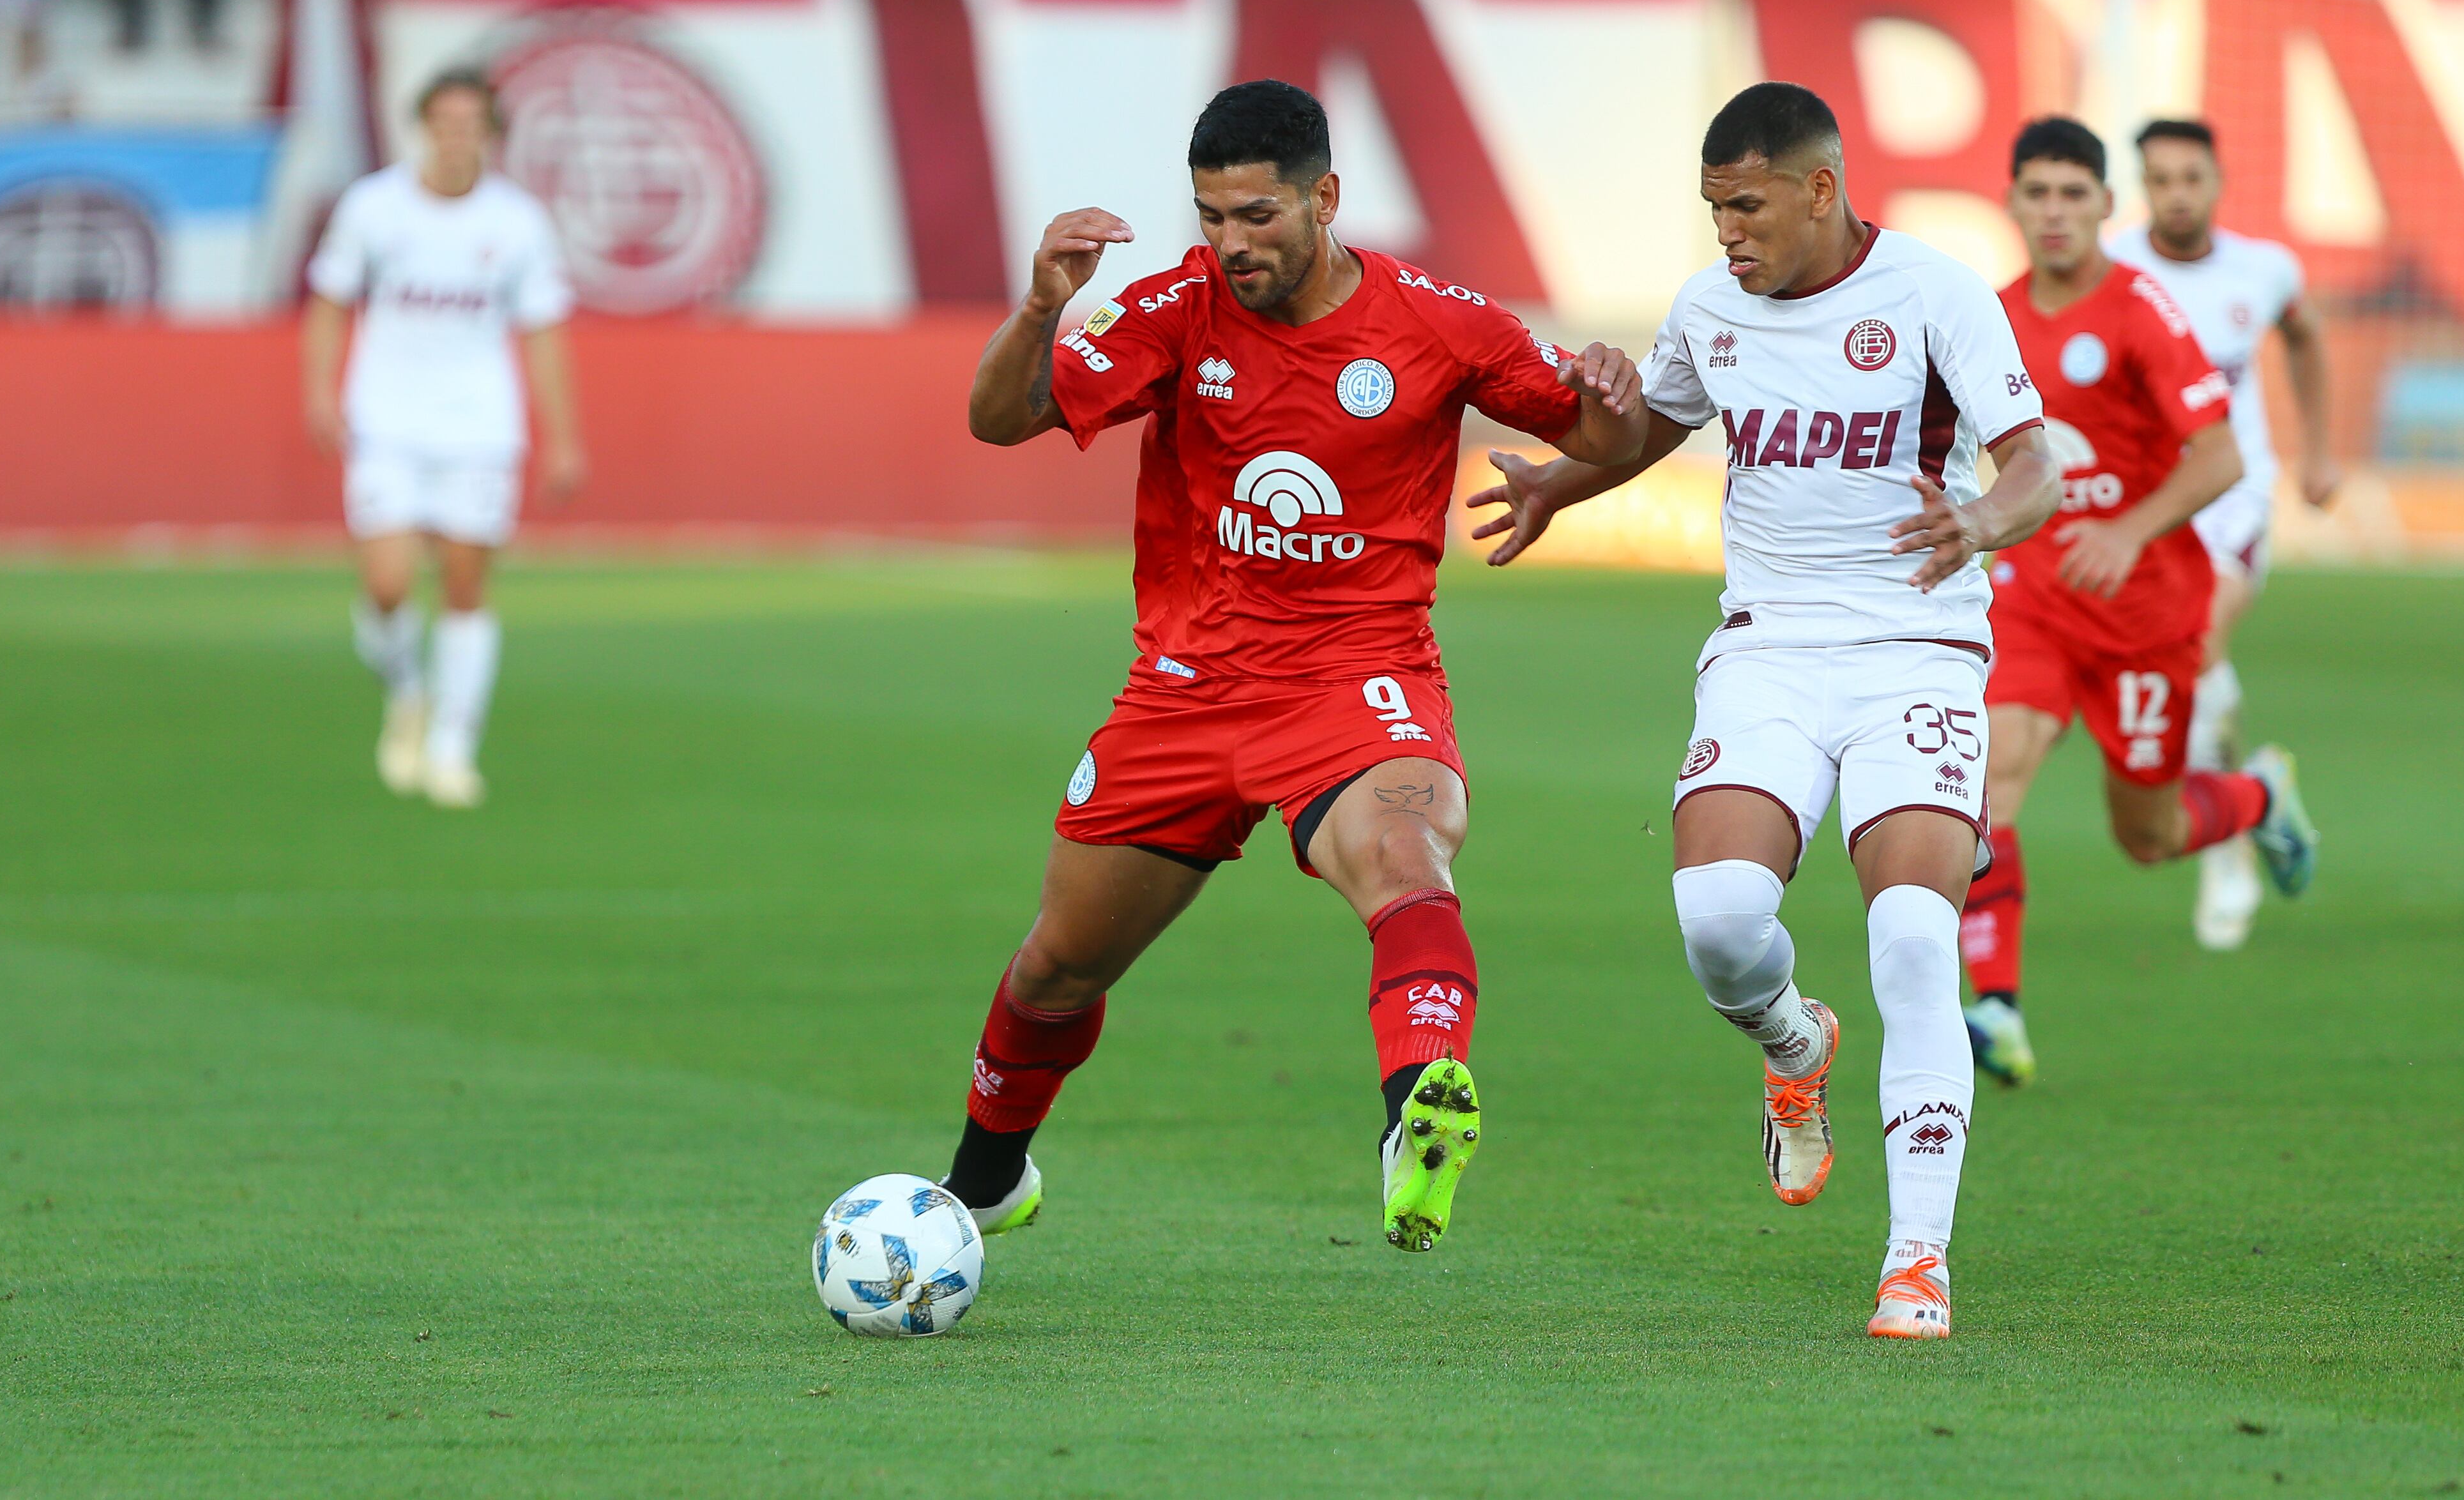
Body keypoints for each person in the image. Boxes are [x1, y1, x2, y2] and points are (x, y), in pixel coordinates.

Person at [940, 79, 1643, 1255]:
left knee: (1403, 855)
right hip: (1187, 686)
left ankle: (1416, 1114)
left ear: (1325, 196)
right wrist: (1037, 309)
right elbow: (999, 419)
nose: (1231, 244)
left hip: (1357, 678)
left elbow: (1597, 435)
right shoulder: (1176, 308)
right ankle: (984, 1180)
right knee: (1060, 962)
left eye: (1257, 215)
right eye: (1212, 216)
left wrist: (1610, 416)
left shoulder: (1442, 320)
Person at [1468, 83, 2060, 1340]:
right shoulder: (1710, 309)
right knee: (1721, 921)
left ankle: (1916, 1259)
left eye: (1744, 207)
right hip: (1769, 653)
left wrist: (1980, 522)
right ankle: (1795, 1048)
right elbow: (1656, 427)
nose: (1726, 234)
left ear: (1819, 190)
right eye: (1712, 211)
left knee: (1911, 938)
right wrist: (1560, 489)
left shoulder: (1934, 293)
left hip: (1920, 650)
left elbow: (2036, 465)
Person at [1956, 117, 2320, 1087]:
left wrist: (2129, 530)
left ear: (2106, 208)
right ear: (2013, 203)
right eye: (2038, 193)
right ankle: (1995, 1004)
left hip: (2147, 609)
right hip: (2033, 595)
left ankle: (2259, 797)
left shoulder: (2141, 310)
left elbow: (2223, 455)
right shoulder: (1986, 316)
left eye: (2076, 194)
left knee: (2147, 837)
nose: (2056, 212)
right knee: (1989, 780)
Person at [301, 68, 586, 808]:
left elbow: (544, 331)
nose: (458, 138)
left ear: (492, 136)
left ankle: (453, 749)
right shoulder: (373, 207)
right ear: (422, 128)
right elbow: (329, 304)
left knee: (465, 583)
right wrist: (318, 393)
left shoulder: (517, 222)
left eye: (472, 125)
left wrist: (562, 436)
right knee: (388, 583)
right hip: (387, 420)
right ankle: (406, 690)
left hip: (478, 425)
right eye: (444, 123)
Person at [2108, 119, 2339, 951]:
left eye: (2190, 177)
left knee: (2196, 646)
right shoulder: (2117, 270)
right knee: (2184, 676)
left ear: (2218, 179)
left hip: (2233, 497)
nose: (2176, 193)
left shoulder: (2265, 269)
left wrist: (2317, 450)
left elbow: (2307, 337)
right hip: (2145, 505)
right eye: (2160, 178)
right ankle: (2257, 791)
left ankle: (2227, 859)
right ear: (2143, 186)